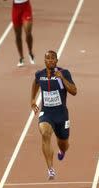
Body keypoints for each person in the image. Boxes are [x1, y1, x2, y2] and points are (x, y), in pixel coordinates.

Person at [30, 50, 77, 180]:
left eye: (52, 58)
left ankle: (62, 151)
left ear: (56, 61)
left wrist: (61, 78)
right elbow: (35, 82)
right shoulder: (40, 74)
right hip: (47, 113)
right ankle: (50, 169)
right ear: (44, 61)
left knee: (64, 144)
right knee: (45, 134)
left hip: (61, 114)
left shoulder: (64, 73)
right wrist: (33, 99)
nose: (50, 60)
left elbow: (74, 91)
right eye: (47, 58)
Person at [11, 0, 35, 67]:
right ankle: (21, 57)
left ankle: (30, 52)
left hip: (26, 7)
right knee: (18, 35)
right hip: (16, 9)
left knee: (28, 32)